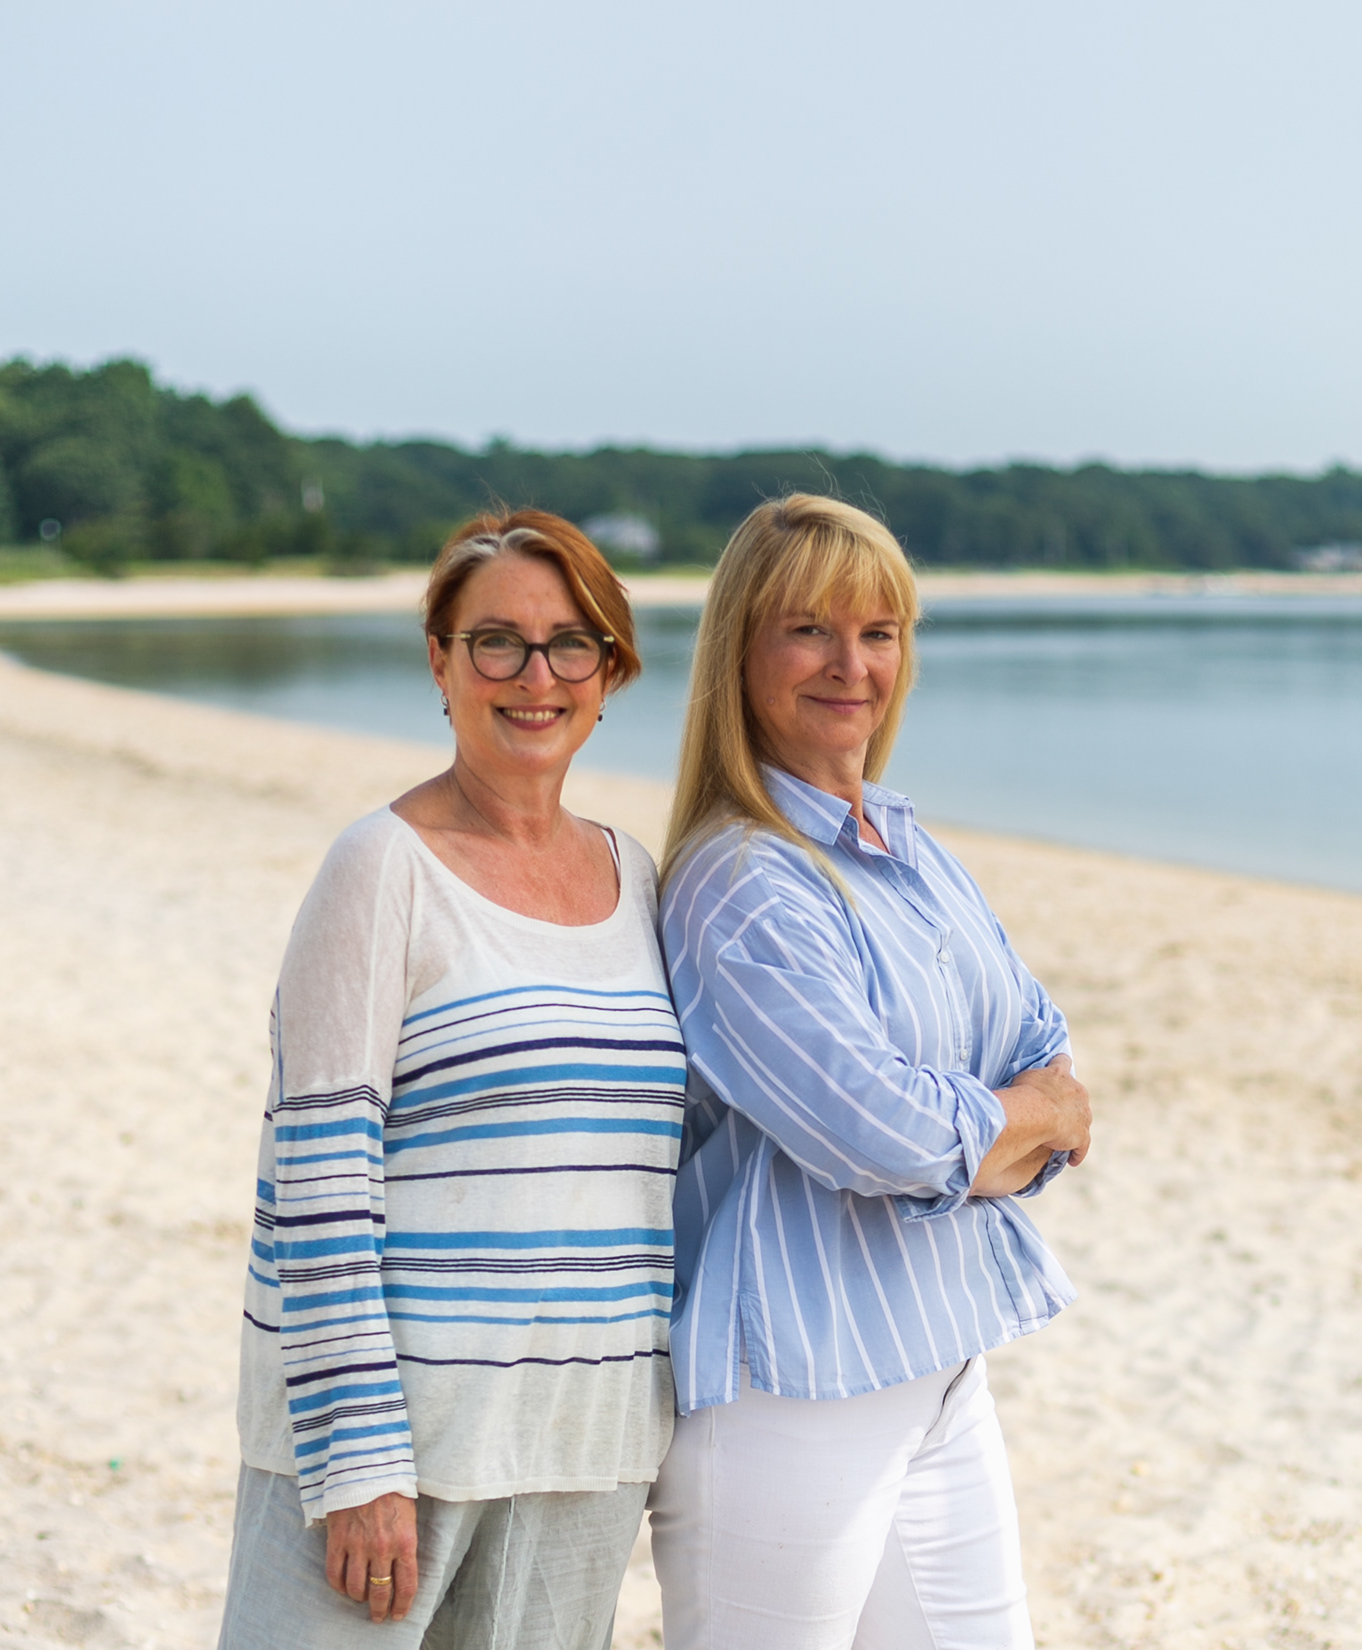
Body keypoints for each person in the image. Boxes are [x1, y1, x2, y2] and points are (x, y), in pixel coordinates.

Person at [219, 510, 686, 1649]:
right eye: (498, 642)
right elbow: (319, 1182)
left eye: (570, 644)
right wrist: (359, 1464)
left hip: (586, 1445)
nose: (536, 676)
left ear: (611, 670)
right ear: (441, 660)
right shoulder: (381, 869)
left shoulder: (637, 878)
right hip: (398, 1450)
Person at [648, 494, 1092, 1650]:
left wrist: (1005, 1122)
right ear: (740, 652)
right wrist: (1016, 1125)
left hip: (939, 1361)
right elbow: (885, 1134)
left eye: (879, 632)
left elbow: (1046, 1042)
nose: (852, 665)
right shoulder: (742, 882)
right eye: (809, 630)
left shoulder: (906, 845)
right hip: (793, 1397)